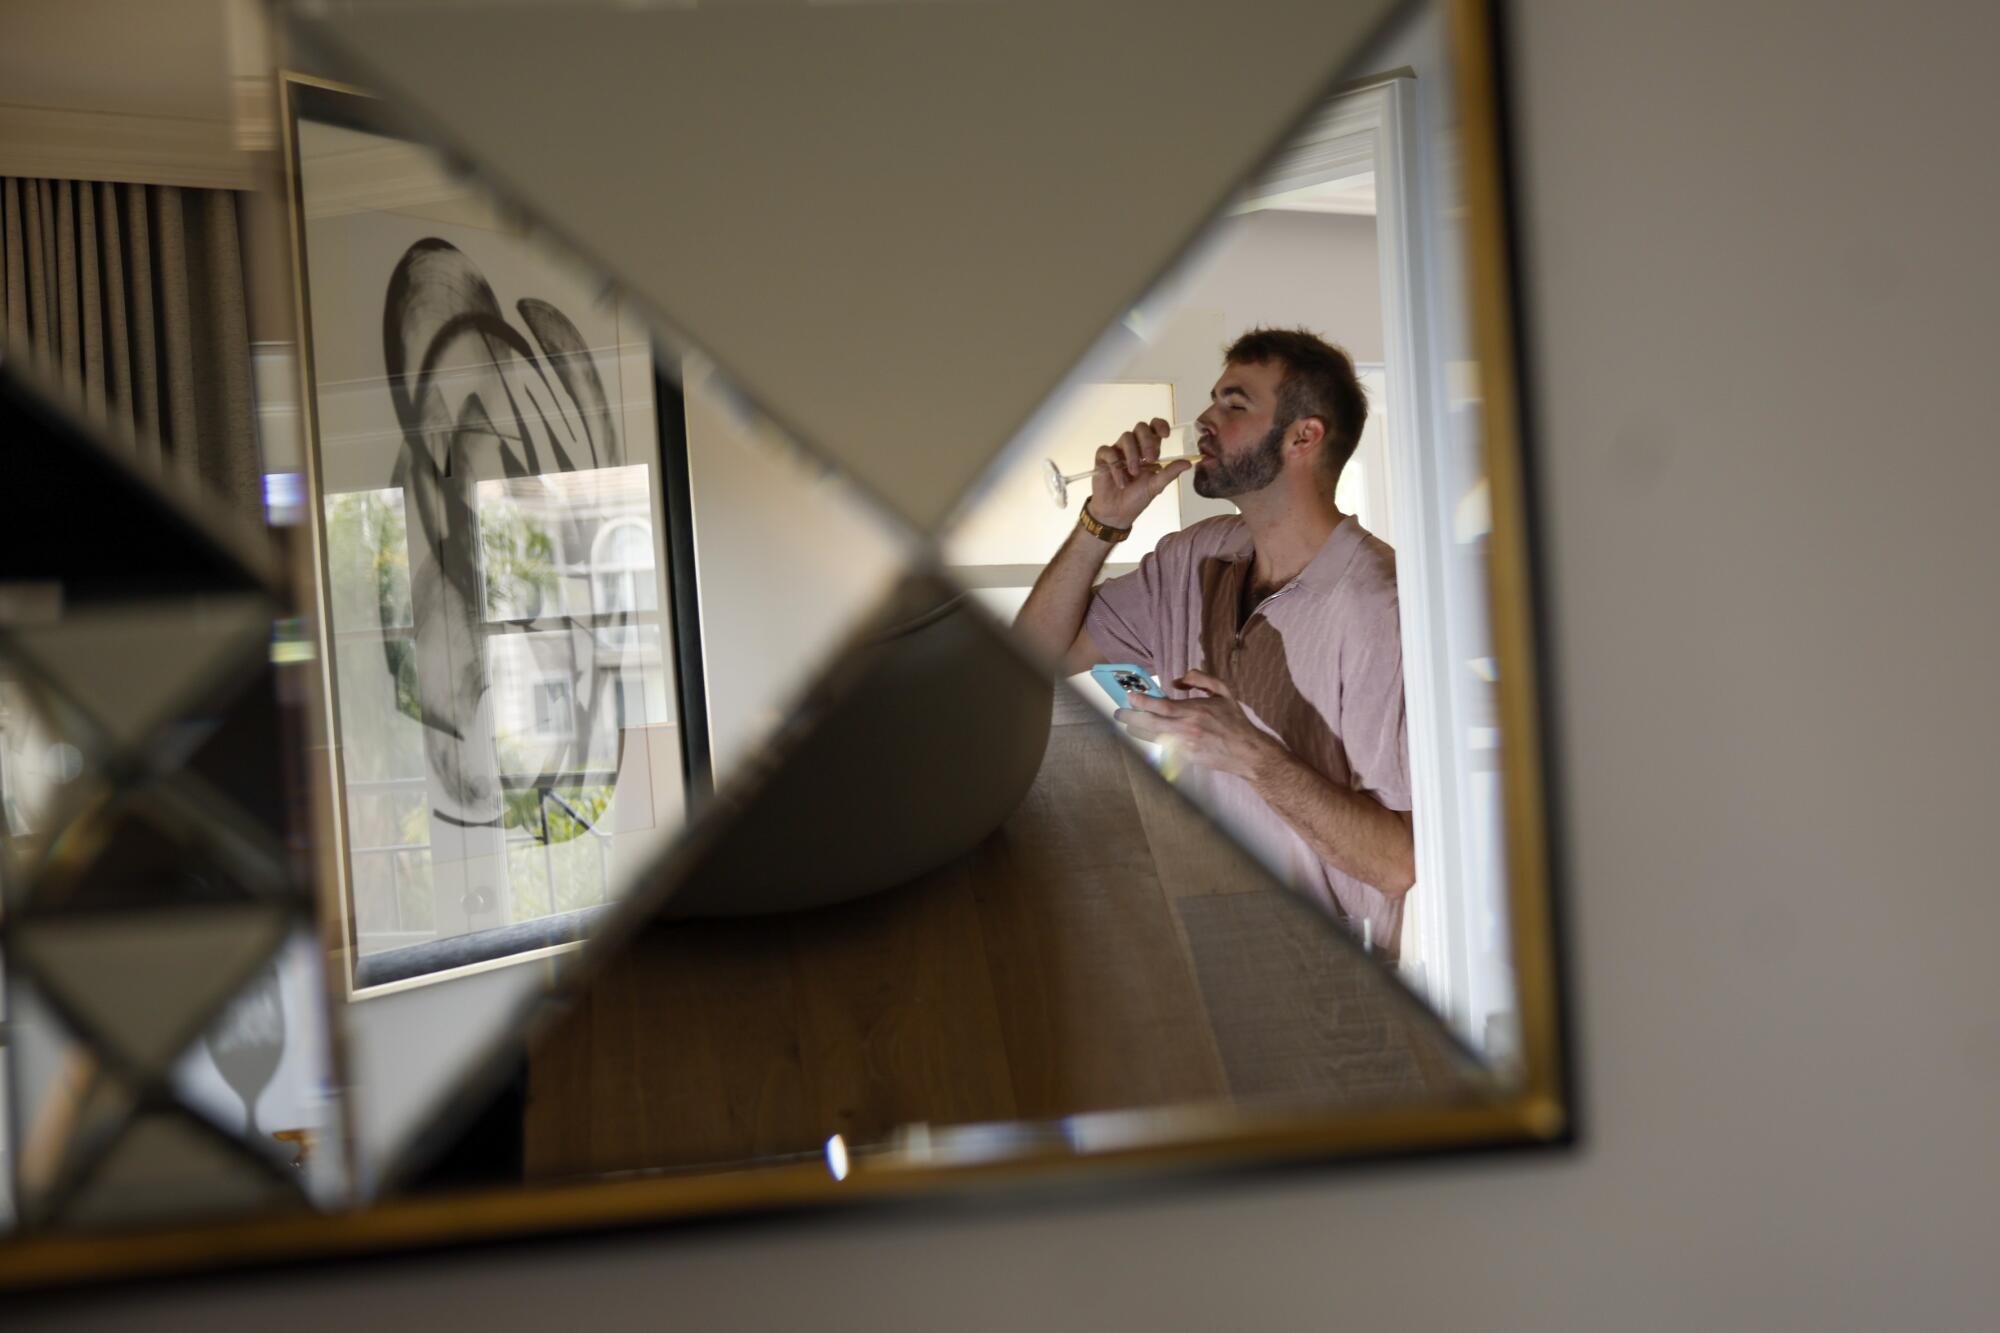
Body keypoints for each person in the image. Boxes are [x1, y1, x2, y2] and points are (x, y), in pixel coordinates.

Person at [1013, 328, 1415, 955]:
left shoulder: (1380, 606)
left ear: (1302, 436)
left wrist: (1248, 752)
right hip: (1191, 935)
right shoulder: (1195, 557)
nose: (1204, 417)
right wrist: (1104, 522)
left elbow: (1396, 863)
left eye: (1235, 404)